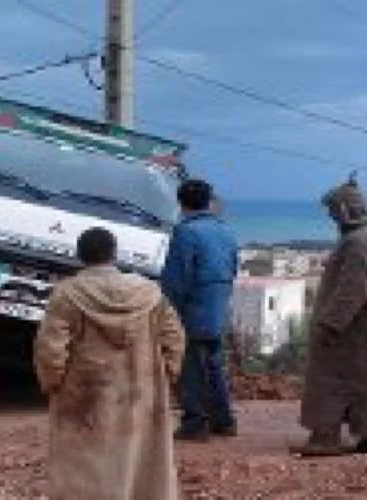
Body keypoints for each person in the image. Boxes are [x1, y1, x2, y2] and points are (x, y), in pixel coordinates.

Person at [33, 227, 186, 500]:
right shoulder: (149, 294)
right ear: (114, 254)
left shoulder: (68, 294)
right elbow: (174, 338)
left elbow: (50, 347)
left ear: (80, 256)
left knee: (86, 462)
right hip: (141, 392)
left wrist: (52, 382)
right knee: (139, 460)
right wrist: (168, 376)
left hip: (86, 395)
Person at [291, 174, 367, 456]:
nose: (332, 217)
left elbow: (353, 289)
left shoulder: (359, 242)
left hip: (351, 333)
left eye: (333, 212)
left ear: (345, 210)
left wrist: (330, 324)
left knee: (330, 383)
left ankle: (325, 438)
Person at [161, 178, 239, 441]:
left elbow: (176, 278)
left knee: (191, 366)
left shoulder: (185, 233)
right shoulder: (226, 231)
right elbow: (233, 269)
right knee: (214, 364)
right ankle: (224, 420)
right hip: (218, 308)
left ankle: (195, 423)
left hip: (192, 309)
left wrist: (166, 310)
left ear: (181, 204)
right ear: (209, 201)